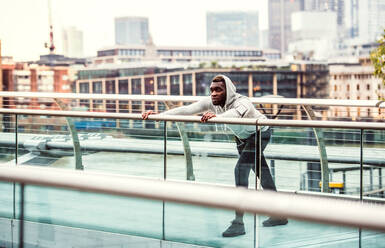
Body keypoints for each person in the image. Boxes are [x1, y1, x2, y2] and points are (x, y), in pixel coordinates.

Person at [142, 75, 287, 237]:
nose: (214, 93)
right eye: (212, 90)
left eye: (219, 90)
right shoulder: (211, 102)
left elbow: (235, 114)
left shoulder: (242, 102)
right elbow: (187, 110)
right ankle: (279, 215)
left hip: (260, 132)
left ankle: (238, 223)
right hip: (242, 138)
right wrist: (160, 115)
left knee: (240, 170)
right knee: (262, 172)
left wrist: (217, 117)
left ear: (228, 91)